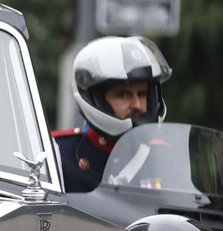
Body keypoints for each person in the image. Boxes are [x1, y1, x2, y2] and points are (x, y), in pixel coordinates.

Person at [53, 36, 172, 192]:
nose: (137, 105)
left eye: (142, 94)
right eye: (123, 95)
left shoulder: (163, 156)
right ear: (95, 100)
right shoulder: (58, 153)